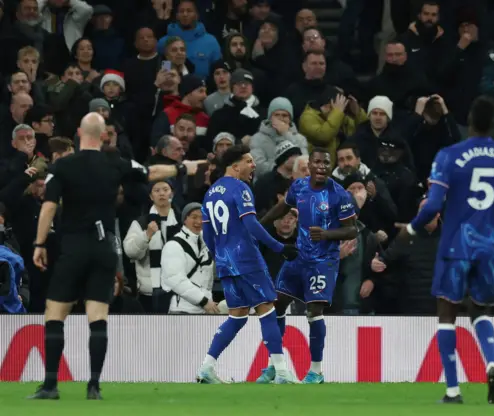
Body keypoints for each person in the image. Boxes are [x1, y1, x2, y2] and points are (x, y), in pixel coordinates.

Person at [29, 113, 203, 400]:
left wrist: (39, 243)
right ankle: (94, 386)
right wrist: (183, 168)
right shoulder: (114, 162)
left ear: (78, 133)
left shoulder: (62, 166)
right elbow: (150, 173)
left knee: (55, 313)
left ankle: (50, 385)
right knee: (97, 316)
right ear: (104, 137)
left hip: (73, 246)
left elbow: (48, 207)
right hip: (105, 247)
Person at [394, 96, 494, 404]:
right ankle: (491, 364)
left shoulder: (449, 155)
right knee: (481, 309)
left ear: (470, 121)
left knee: (447, 312)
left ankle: (453, 390)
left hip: (456, 244)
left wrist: (411, 229)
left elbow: (434, 205)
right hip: (491, 246)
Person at [197, 144, 299, 384]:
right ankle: (282, 372)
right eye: (249, 161)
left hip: (224, 262)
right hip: (245, 257)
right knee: (267, 308)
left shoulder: (210, 193)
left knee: (238, 315)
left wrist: (220, 255)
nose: (253, 165)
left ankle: (206, 367)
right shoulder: (240, 188)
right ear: (235, 166)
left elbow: (208, 234)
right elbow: (251, 225)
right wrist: (279, 247)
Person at [258, 147, 358, 384]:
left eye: (326, 163)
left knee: (314, 311)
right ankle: (274, 364)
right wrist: (259, 225)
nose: (322, 166)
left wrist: (326, 234)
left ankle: (316, 371)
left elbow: (352, 229)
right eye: (317, 162)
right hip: (299, 257)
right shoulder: (299, 186)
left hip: (323, 261)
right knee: (276, 303)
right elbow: (283, 206)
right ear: (310, 165)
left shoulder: (339, 194)